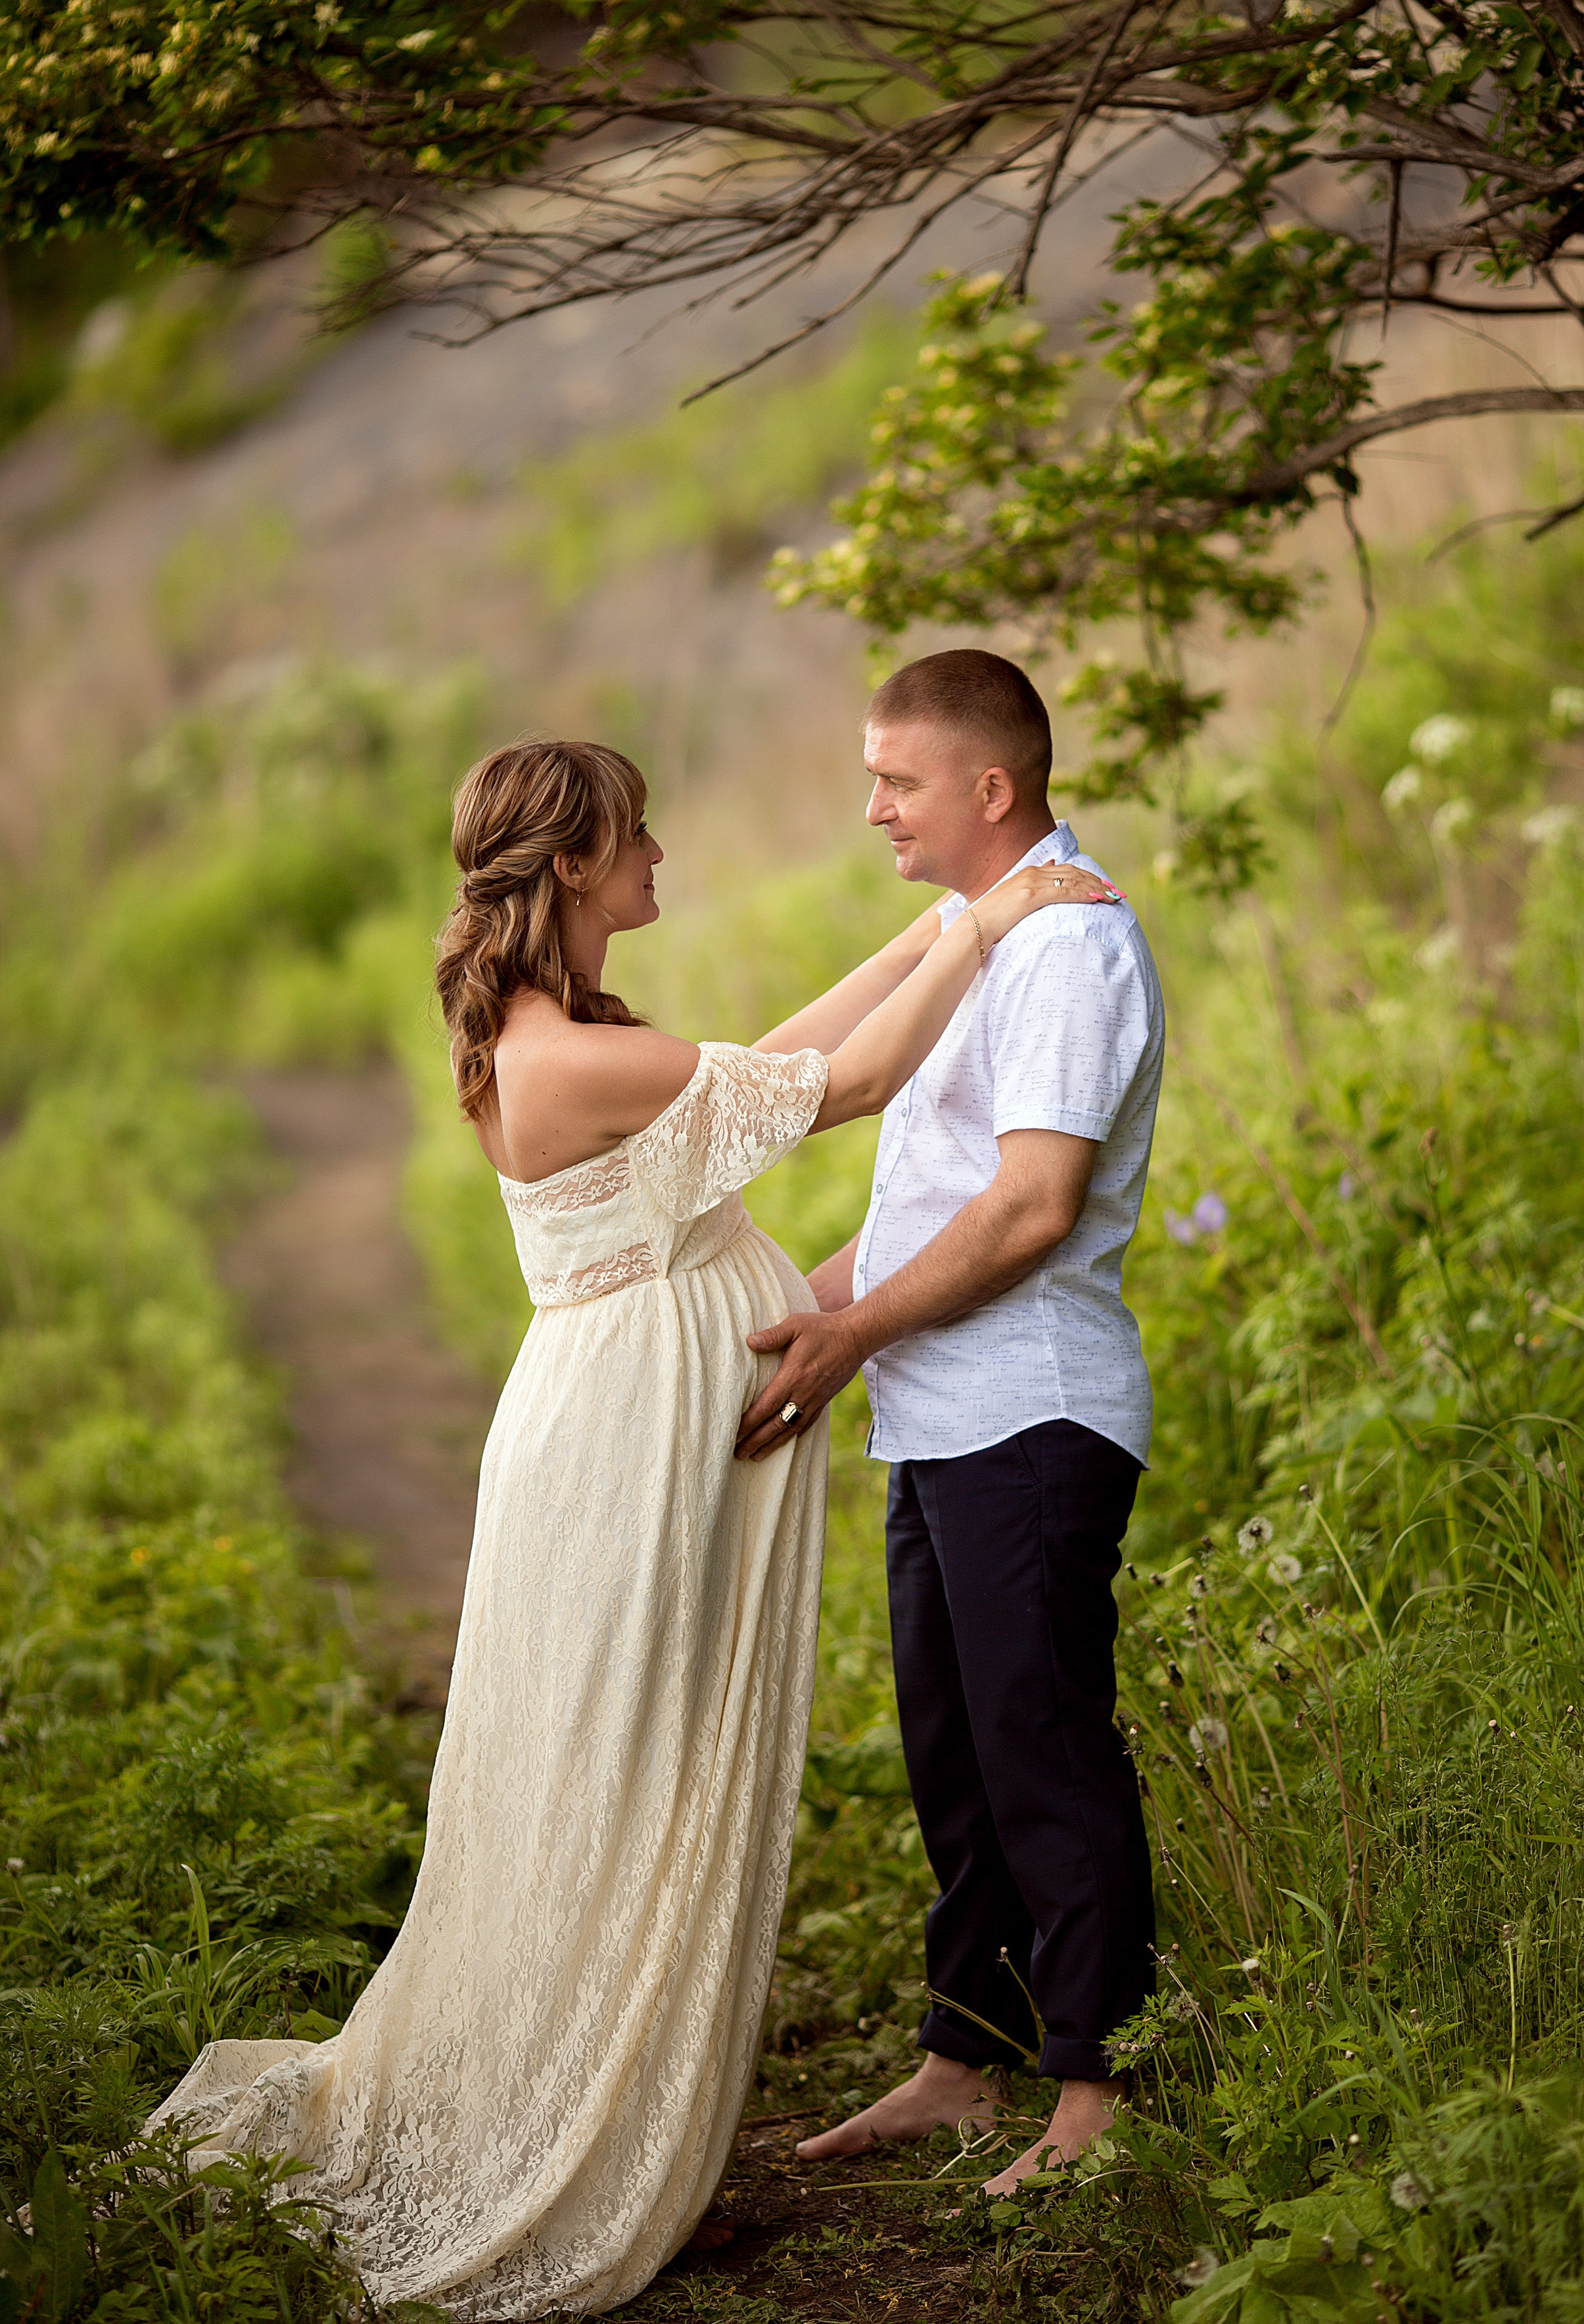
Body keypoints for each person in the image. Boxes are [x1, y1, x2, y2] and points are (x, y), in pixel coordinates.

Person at [147, 736, 1117, 2318]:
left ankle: (604, 2107)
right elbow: (848, 1088)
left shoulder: (580, 1033)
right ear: (576, 862)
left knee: (632, 1766)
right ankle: (560, 2138)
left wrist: (953, 919)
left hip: (629, 1428)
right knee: (615, 1772)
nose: (660, 849)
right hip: (615, 1450)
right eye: (636, 832)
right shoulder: (557, 1055)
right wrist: (984, 928)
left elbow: (775, 1062)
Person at [736, 649, 1164, 2196]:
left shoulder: (1067, 950)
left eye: (896, 780)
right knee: (958, 1756)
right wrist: (805, 1318)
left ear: (990, 789)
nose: (873, 809)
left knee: (1039, 1748)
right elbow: (926, 1199)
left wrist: (852, 1331)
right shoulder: (981, 941)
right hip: (938, 1417)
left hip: (1030, 1414)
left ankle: (1097, 2097)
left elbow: (1031, 1208)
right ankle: (961, 2062)